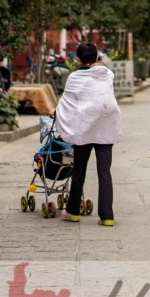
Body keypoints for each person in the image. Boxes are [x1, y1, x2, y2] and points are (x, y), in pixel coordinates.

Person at [53, 42, 121, 225]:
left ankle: (73, 211)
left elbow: (66, 103)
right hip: (106, 126)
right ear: (98, 57)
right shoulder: (108, 75)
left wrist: (59, 118)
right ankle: (107, 216)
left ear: (77, 59)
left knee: (79, 170)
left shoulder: (74, 77)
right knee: (104, 172)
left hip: (84, 129)